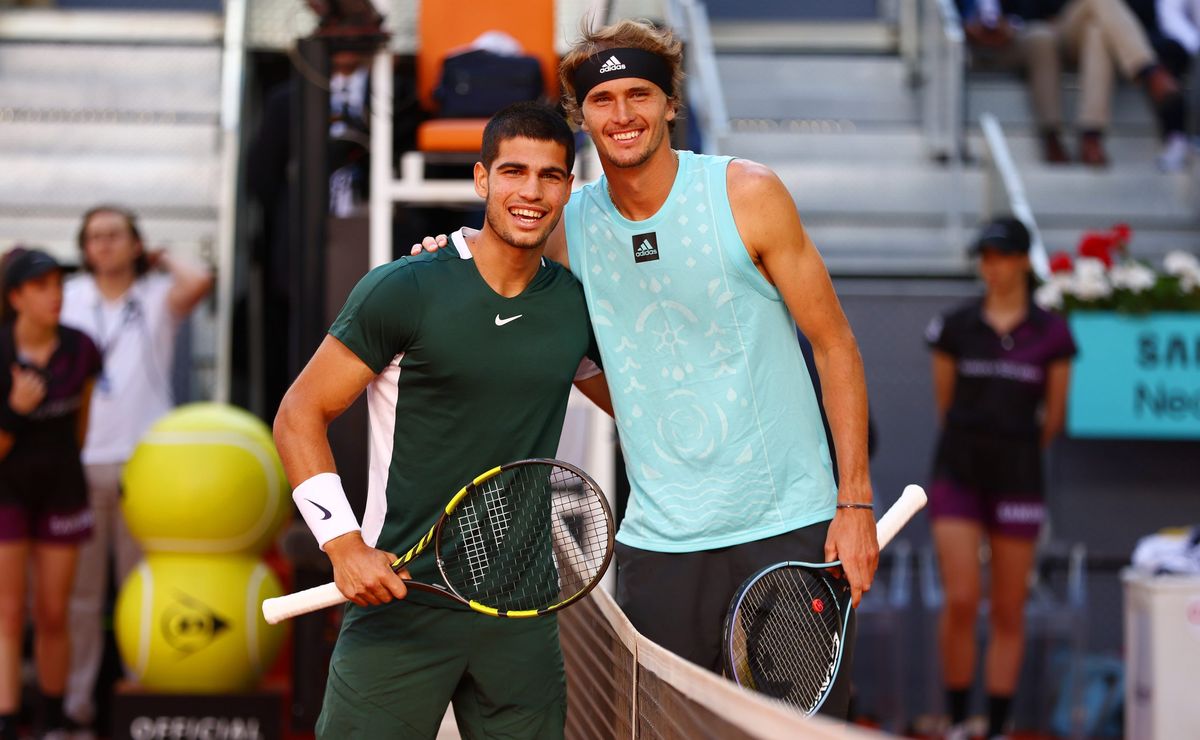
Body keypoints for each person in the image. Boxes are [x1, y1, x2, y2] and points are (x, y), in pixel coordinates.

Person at [415, 19, 878, 719]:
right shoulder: (568, 227)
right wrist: (436, 262)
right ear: (581, 116)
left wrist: (854, 503)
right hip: (659, 544)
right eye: (603, 100)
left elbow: (835, 344)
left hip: (785, 525)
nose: (623, 114)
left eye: (640, 94)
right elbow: (504, 289)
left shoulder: (746, 194)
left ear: (669, 104)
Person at [274, 102, 607, 739]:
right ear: (482, 179)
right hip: (400, 606)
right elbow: (298, 415)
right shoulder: (405, 288)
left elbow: (641, 408)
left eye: (549, 175)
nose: (530, 191)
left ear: (568, 187)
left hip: (523, 617)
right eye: (513, 171)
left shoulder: (573, 308)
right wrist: (342, 545)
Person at [58, 206, 213, 732]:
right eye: (94, 237)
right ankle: (77, 706)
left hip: (145, 466)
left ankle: (138, 695)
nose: (103, 245)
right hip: (78, 462)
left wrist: (160, 256)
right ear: (83, 248)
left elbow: (199, 281)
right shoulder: (69, 296)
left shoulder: (153, 296)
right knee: (80, 596)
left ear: (134, 244)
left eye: (114, 236)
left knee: (139, 588)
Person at [923, 217, 1076, 739]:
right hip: (958, 473)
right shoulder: (955, 326)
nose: (991, 265)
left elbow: (1053, 419)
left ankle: (999, 725)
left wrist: (1013, 451)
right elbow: (945, 406)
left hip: (1019, 479)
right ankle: (960, 719)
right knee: (962, 597)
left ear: (1021, 261)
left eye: (1001, 255)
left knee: (1009, 608)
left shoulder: (1052, 332)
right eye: (984, 256)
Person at [0, 248, 102, 740]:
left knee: (53, 612)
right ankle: (6, 720)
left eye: (59, 284)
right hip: (7, 492)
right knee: (8, 611)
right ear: (15, 297)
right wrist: (16, 411)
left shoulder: (82, 347)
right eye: (41, 286)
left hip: (62, 488)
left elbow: (81, 428)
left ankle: (55, 721)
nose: (55, 295)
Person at [957, 0, 1186, 167]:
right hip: (1043, 28)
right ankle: (1149, 73)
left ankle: (1091, 133)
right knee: (1081, 24)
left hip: (1082, 25)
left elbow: (1143, 10)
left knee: (1096, 28)